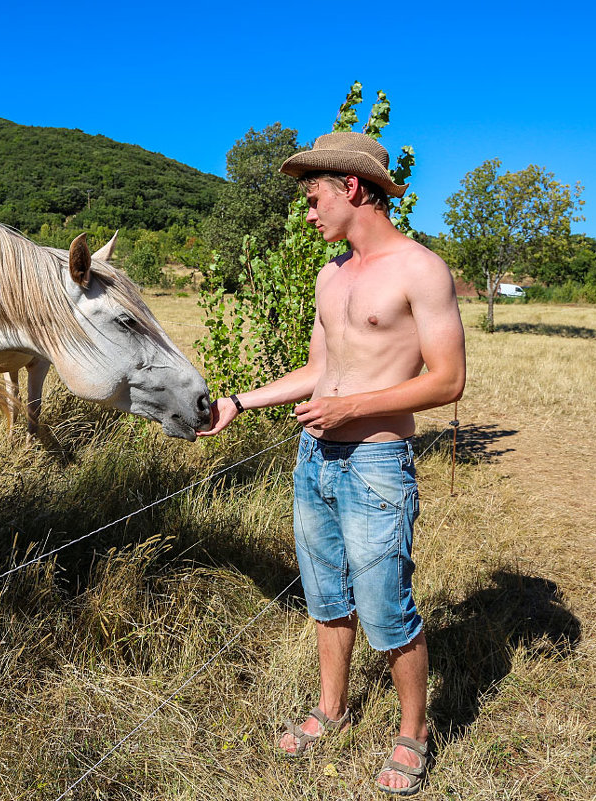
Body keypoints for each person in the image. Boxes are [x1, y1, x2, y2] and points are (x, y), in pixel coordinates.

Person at [198, 131, 466, 795]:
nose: (307, 213)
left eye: (313, 199)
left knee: (386, 610)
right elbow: (320, 371)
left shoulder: (419, 270)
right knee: (325, 599)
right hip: (312, 459)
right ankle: (332, 709)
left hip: (375, 463)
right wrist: (239, 399)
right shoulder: (328, 274)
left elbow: (447, 380)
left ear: (351, 188)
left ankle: (413, 732)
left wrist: (354, 410)